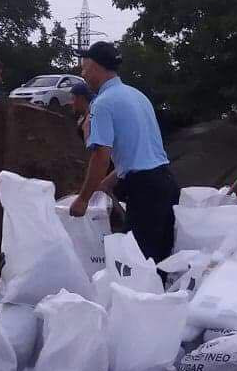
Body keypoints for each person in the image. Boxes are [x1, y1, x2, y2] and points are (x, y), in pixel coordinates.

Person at [68, 41, 179, 262]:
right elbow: (141, 152)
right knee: (159, 264)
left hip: (145, 191)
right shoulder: (137, 95)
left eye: (85, 68)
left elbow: (101, 156)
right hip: (166, 183)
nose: (83, 73)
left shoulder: (102, 104)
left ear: (97, 68)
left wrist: (83, 199)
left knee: (135, 264)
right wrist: (108, 182)